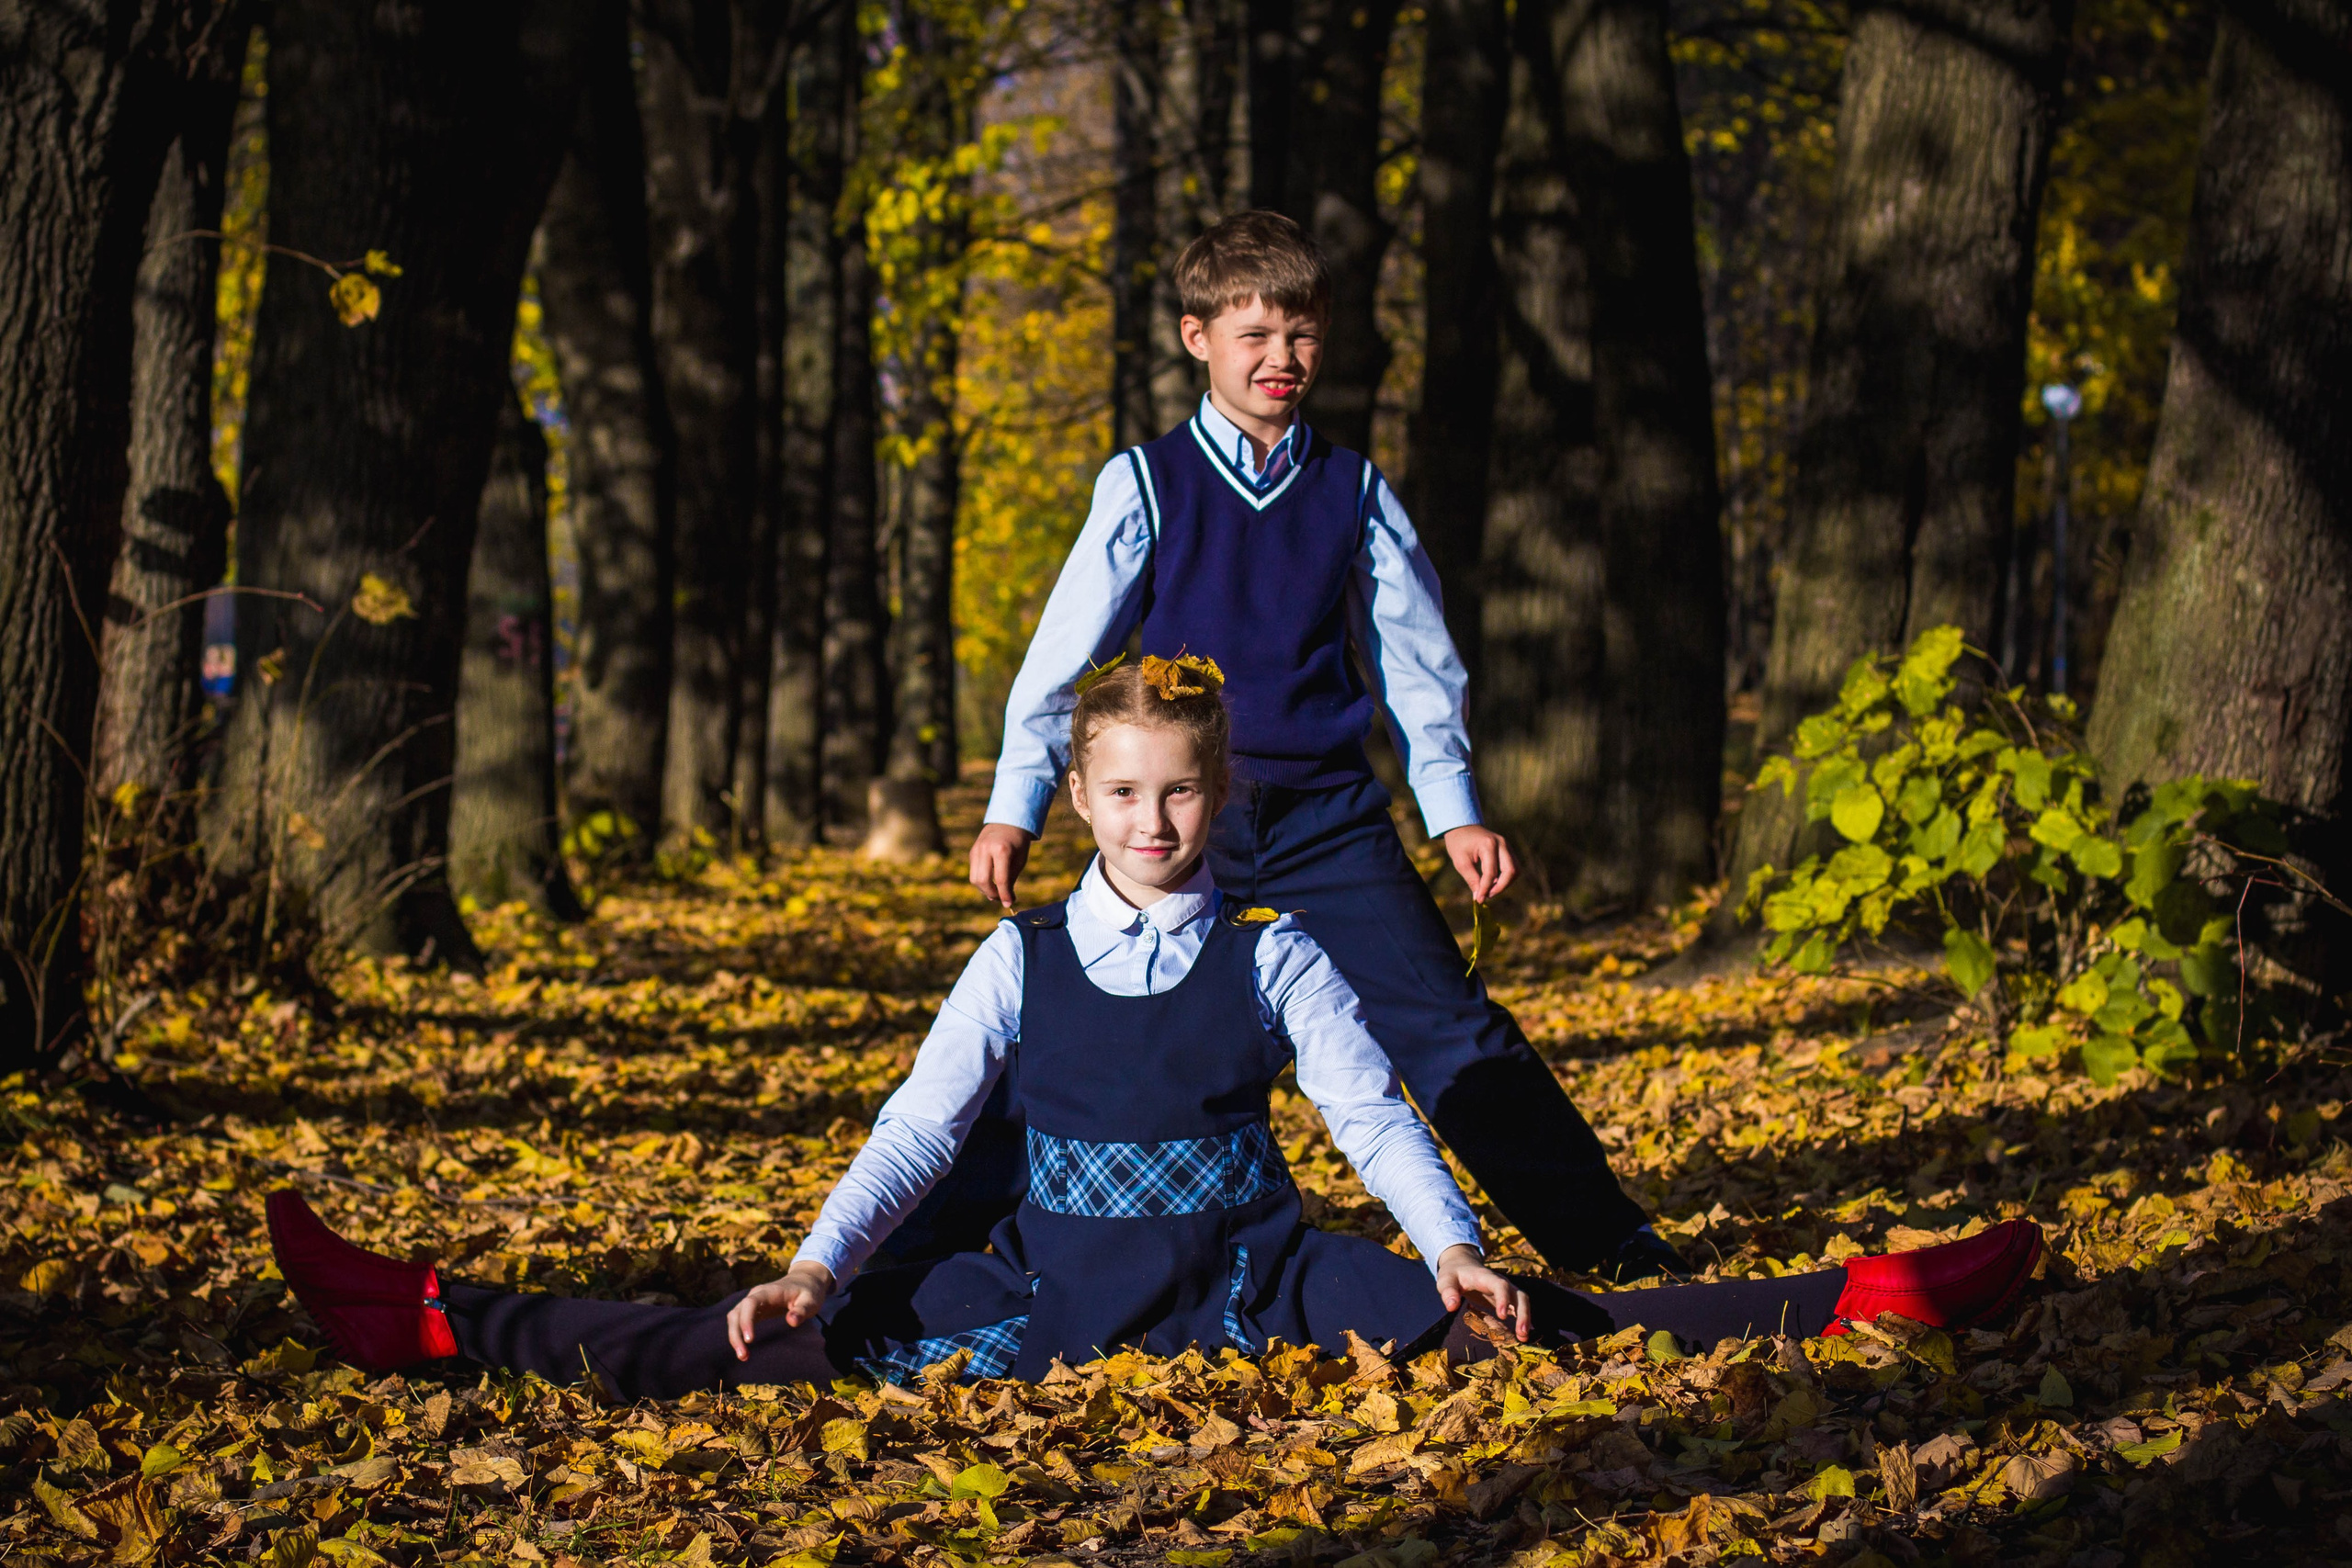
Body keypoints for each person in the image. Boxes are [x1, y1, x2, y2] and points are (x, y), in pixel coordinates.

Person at [267, 662, 2044, 1398]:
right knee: (755, 1335)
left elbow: (1369, 1110)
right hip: (1037, 1284)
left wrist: (1448, 1243)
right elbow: (911, 1127)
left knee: (1522, 1320)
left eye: (1177, 793)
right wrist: (814, 1258)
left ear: (1216, 798)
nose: (1148, 822)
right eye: (1117, 792)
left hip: (1245, 1279)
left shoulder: (1273, 954)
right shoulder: (1018, 957)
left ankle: (1856, 1292)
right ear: (1082, 797)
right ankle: (444, 1315)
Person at [952, 209, 1673, 1282]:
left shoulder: (1352, 489)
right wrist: (1016, 802)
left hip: (1332, 820)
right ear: (1198, 339)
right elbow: (1061, 661)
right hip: (1184, 820)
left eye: (1300, 335)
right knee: (1083, 1037)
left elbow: (1417, 663)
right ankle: (941, 1258)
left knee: (1453, 1032)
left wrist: (1453, 808)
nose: (1280, 359)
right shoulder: (1145, 484)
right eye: (1253, 336)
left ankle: (1609, 1243)